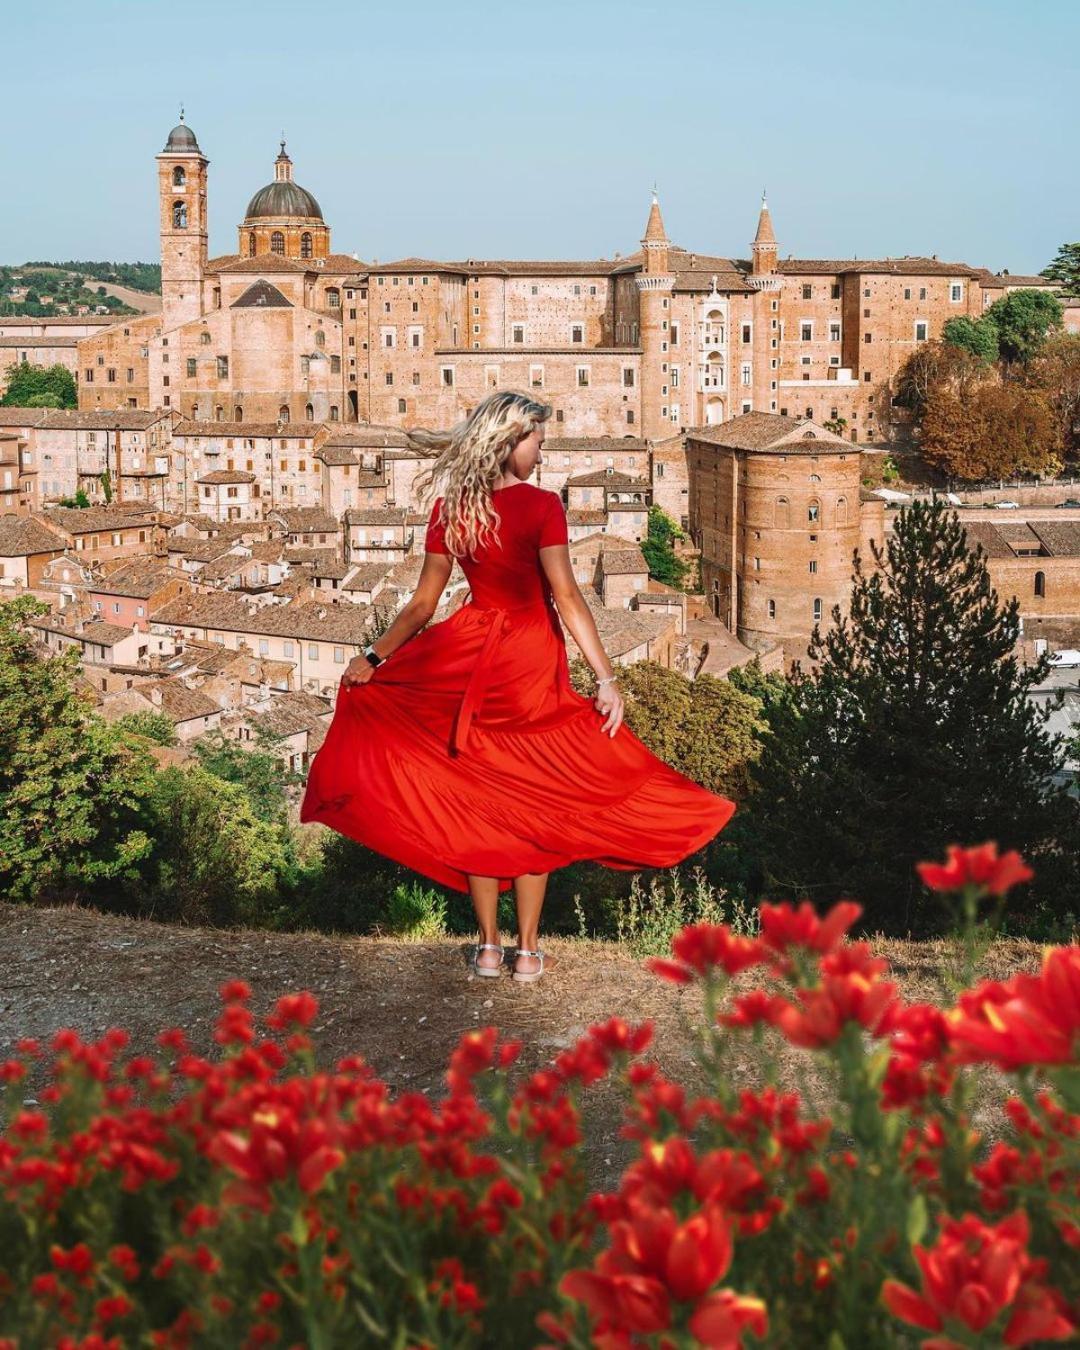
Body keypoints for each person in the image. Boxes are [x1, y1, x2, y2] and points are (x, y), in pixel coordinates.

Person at [299, 391, 736, 983]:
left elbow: (424, 604)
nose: (542, 452)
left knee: (480, 801)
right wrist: (605, 678)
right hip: (529, 659)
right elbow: (568, 596)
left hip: (472, 654)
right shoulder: (540, 508)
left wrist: (374, 658)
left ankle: (486, 947)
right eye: (537, 441)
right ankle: (527, 952)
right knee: (533, 797)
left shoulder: (451, 508)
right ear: (509, 443)